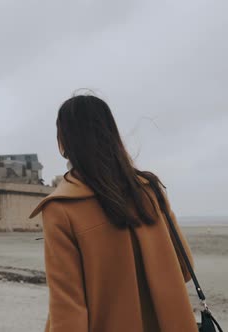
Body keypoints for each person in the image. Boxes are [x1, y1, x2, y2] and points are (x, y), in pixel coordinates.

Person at [29, 94, 197, 332]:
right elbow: (184, 268)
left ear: (63, 140)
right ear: (111, 133)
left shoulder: (61, 208)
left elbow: (68, 309)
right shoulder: (149, 189)